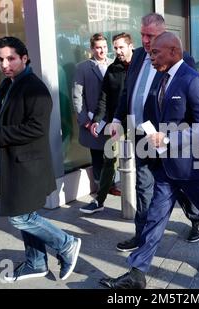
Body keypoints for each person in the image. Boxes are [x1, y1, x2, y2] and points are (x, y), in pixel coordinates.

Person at [100, 32, 199, 289]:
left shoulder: (192, 81)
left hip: (194, 165)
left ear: (173, 51)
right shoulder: (161, 78)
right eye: (149, 53)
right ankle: (137, 273)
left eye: (155, 53)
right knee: (156, 217)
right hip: (164, 165)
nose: (150, 57)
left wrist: (169, 137)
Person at [0, 36, 81, 282]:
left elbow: (35, 129)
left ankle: (66, 243)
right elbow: (8, 118)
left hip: (27, 166)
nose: (4, 64)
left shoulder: (34, 88)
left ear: (24, 58)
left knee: (21, 217)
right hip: (14, 162)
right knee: (24, 213)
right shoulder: (9, 84)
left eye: (10, 58)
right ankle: (36, 262)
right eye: (0, 59)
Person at [109, 13, 199, 252]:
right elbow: (128, 92)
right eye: (142, 34)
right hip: (141, 135)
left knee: (178, 183)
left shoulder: (183, 59)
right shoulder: (139, 56)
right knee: (143, 186)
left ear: (163, 35)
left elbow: (192, 103)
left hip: (167, 136)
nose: (144, 39)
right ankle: (141, 235)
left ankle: (197, 217)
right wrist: (115, 118)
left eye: (150, 35)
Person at [79, 33, 134, 214]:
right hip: (117, 123)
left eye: (121, 47)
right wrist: (96, 121)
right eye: (115, 47)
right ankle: (99, 201)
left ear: (130, 46)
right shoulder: (112, 70)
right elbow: (103, 99)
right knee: (109, 159)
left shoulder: (143, 66)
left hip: (140, 122)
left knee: (146, 162)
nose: (117, 51)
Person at [72, 33, 113, 187]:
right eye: (98, 48)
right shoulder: (82, 67)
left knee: (112, 154)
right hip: (93, 120)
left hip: (112, 120)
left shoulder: (114, 64)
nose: (101, 51)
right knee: (97, 155)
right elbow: (77, 97)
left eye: (104, 47)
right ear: (91, 49)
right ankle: (99, 187)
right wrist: (85, 121)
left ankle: (111, 184)